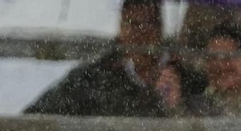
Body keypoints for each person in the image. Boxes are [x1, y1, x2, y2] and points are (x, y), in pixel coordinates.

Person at [25, 0, 166, 117]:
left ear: (161, 29)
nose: (142, 33)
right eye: (133, 24)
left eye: (150, 23)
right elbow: (33, 122)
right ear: (121, 28)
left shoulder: (175, 75)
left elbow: (172, 129)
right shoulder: (90, 79)